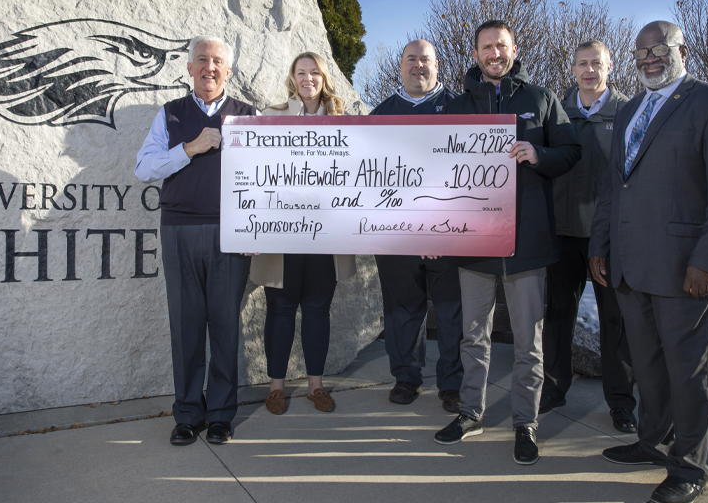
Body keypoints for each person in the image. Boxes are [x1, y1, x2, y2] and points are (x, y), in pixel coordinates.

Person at [589, 21, 708, 503]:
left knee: (690, 372)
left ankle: (689, 466)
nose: (649, 58)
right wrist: (600, 245)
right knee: (649, 365)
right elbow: (612, 188)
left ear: (682, 49)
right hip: (631, 267)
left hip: (689, 270)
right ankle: (651, 441)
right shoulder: (630, 110)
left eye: (659, 48)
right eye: (641, 52)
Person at [434, 20, 580, 466]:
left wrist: (539, 155)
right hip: (474, 245)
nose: (494, 53)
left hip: (528, 245)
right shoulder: (457, 108)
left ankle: (525, 422)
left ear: (514, 49)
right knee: (472, 337)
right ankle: (470, 412)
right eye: (486, 47)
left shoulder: (541, 99)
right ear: (475, 53)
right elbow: (432, 170)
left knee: (527, 344)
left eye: (501, 45)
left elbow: (571, 151)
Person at [134, 35, 257, 446]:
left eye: (218, 61)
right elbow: (144, 168)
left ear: (229, 70)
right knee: (186, 325)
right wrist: (191, 147)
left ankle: (221, 415)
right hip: (179, 230)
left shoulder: (247, 115)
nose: (210, 67)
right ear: (189, 68)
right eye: (201, 59)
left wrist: (256, 227)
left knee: (224, 326)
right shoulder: (169, 114)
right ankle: (188, 414)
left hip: (230, 233)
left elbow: (261, 180)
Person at [249, 52, 357, 415]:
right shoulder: (271, 117)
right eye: (301, 73)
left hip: (326, 235)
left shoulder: (345, 123)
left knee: (317, 309)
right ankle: (276, 388)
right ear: (292, 78)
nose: (307, 78)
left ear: (323, 78)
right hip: (282, 235)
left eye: (314, 72)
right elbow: (254, 175)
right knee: (279, 309)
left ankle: (316, 385)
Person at [539, 40, 638, 434]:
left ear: (609, 67)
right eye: (582, 63)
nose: (589, 70)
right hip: (562, 234)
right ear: (573, 68)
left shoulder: (629, 113)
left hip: (608, 238)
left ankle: (621, 403)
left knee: (616, 322)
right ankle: (554, 388)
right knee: (558, 315)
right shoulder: (556, 112)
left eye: (596, 63)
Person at [369, 39, 465, 413]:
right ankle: (406, 377)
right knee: (401, 310)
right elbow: (368, 178)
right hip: (396, 235)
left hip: (449, 233)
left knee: (451, 311)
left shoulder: (461, 109)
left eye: (426, 59)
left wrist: (437, 225)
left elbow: (469, 175)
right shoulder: (381, 114)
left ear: (437, 66)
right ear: (401, 65)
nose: (418, 66)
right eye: (412, 59)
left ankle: (452, 383)